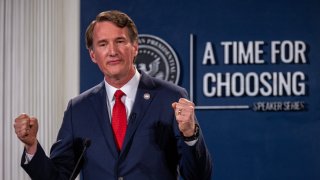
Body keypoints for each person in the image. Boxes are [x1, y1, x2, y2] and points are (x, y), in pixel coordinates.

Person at [13, 10, 212, 180]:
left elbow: (198, 176)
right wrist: (32, 147)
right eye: (103, 44)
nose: (112, 51)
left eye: (120, 41)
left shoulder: (169, 97)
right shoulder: (79, 108)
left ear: (135, 47)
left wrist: (190, 134)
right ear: (93, 55)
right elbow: (58, 176)